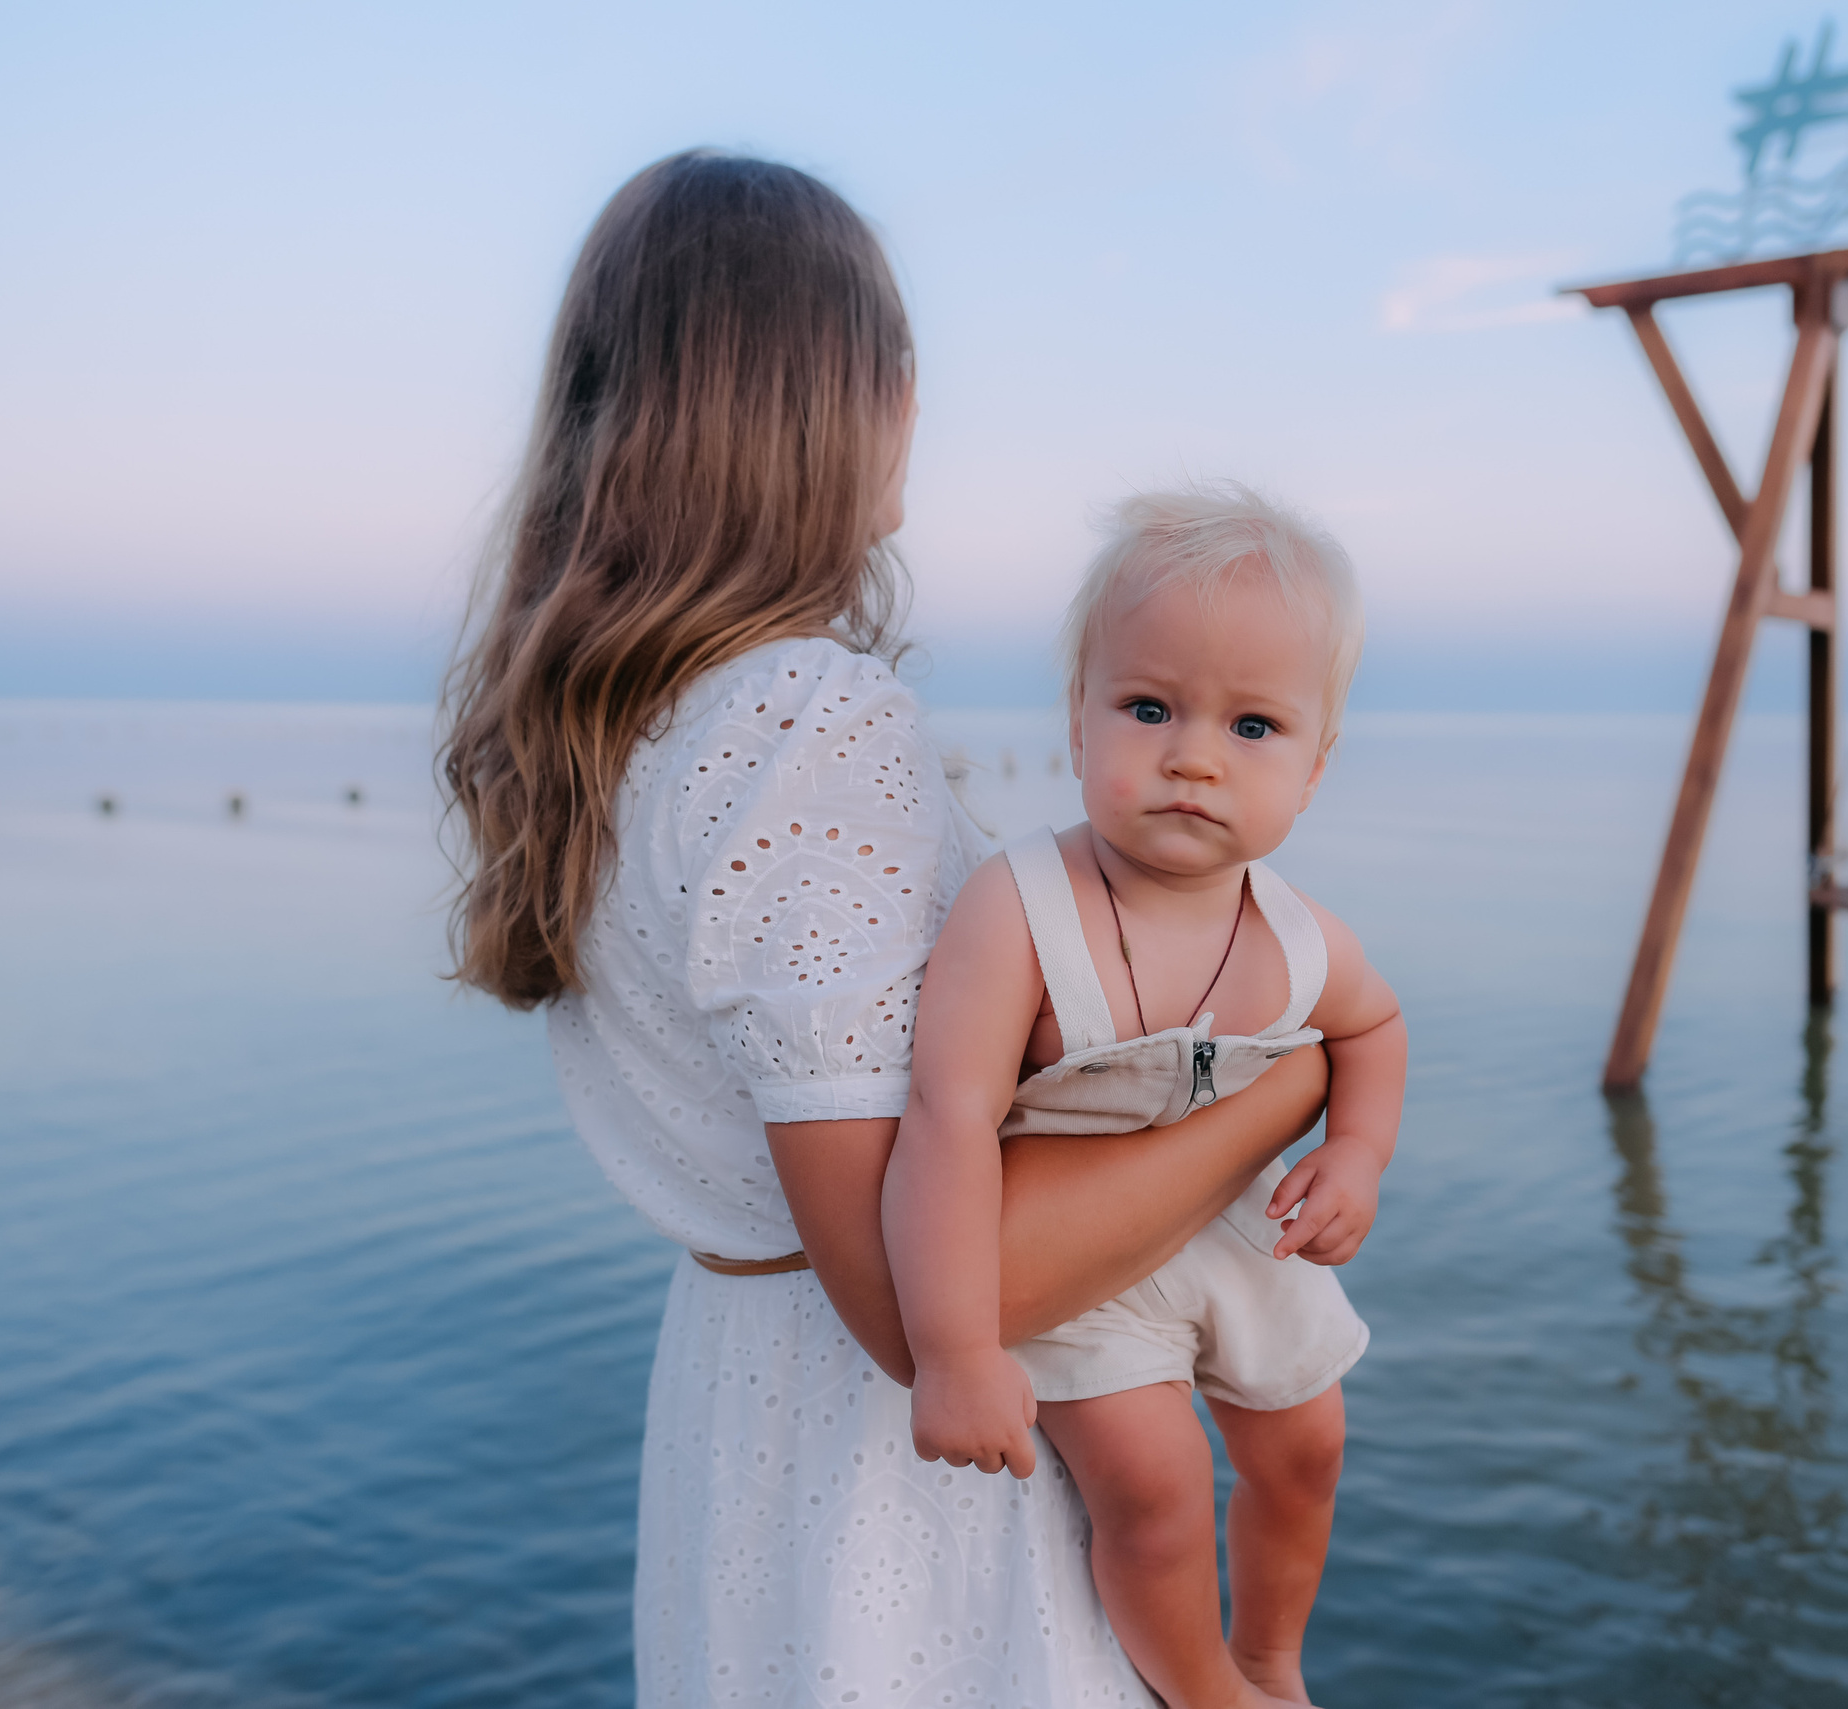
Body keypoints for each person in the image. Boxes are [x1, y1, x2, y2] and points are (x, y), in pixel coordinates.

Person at [439, 152, 1329, 1708]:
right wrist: (1285, 1086)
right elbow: (899, 1296)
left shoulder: (617, 722)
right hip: (893, 1486)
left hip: (741, 1422)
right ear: (859, 399)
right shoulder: (804, 720)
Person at [884, 487, 1407, 1709]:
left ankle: (1271, 1655)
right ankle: (1203, 1691)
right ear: (1078, 720)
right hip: (1082, 1263)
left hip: (1239, 1229)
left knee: (1307, 1448)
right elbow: (947, 1116)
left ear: (1315, 769)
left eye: (1255, 726)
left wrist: (1359, 1154)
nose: (1194, 755)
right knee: (1156, 1486)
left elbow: (1373, 1025)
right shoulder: (1019, 908)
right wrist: (955, 1349)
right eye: (1150, 707)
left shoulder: (1298, 934)